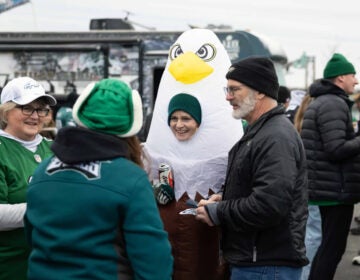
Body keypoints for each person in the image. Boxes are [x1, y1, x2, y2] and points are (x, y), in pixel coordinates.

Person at [24, 78, 173, 280]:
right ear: (130, 126)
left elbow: (32, 237)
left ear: (80, 116)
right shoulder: (130, 178)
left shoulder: (43, 170)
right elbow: (153, 261)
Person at [196, 57, 309, 280]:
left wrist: (219, 212)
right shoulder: (261, 131)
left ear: (260, 92)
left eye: (234, 90)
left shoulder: (275, 136)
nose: (228, 97)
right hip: (257, 262)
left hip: (267, 265)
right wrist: (225, 198)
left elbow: (269, 205)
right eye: (227, 89)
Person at [143, 28, 243, 280]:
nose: (179, 124)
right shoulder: (157, 157)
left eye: (186, 119)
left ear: (199, 121)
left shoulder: (223, 156)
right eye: (174, 119)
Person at [300, 53, 360, 279]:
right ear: (341, 77)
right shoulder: (333, 103)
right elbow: (335, 149)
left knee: (327, 248)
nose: (356, 80)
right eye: (353, 75)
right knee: (331, 250)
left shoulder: (325, 101)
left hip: (328, 189)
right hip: (333, 192)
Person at [0, 76, 57, 280]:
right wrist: (43, 209)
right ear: (6, 111)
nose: (35, 116)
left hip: (52, 264)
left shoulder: (54, 149)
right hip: (10, 267)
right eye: (26, 108)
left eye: (41, 109)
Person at [293, 93, 322, 280]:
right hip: (313, 187)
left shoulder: (298, 125)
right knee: (314, 235)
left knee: (307, 233)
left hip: (304, 186)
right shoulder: (314, 127)